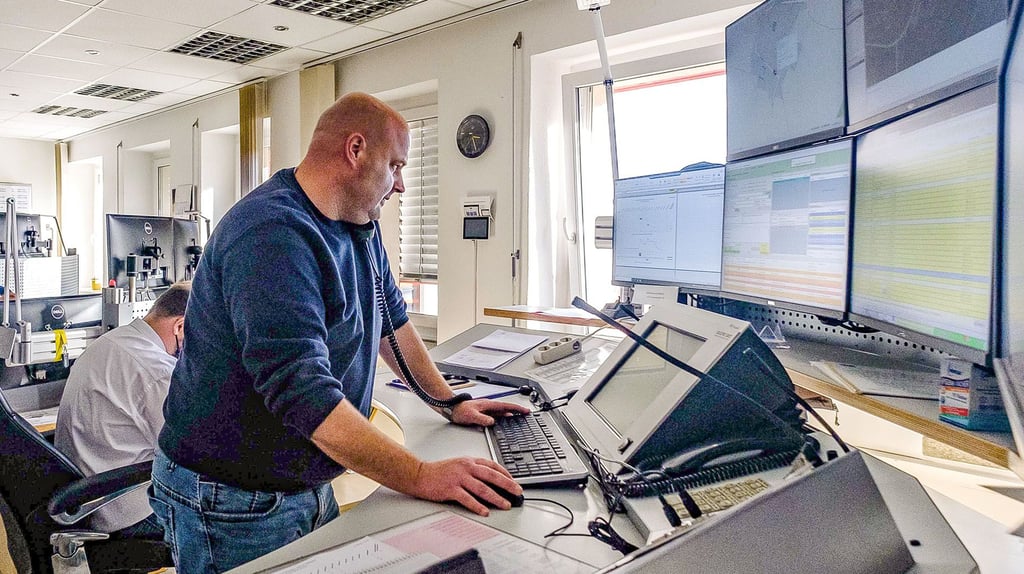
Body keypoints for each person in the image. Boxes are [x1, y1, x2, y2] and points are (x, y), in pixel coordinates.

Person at [151, 92, 531, 573]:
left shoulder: (358, 225)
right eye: (394, 166)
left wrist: (449, 401)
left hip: (302, 482)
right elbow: (302, 393)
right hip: (233, 500)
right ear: (356, 150)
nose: (401, 185)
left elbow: (392, 323)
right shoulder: (271, 234)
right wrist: (419, 475)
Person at [54, 281, 190, 540]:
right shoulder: (155, 371)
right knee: (230, 516)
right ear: (180, 326)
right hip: (127, 513)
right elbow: (189, 453)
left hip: (88, 501)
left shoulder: (111, 343)